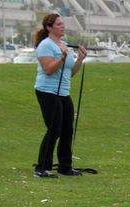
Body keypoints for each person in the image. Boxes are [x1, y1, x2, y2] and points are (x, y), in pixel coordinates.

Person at [33, 13, 87, 178]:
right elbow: (49, 69)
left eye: (63, 24)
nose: (62, 26)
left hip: (63, 92)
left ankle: (65, 166)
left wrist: (79, 59)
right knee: (54, 129)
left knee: (67, 130)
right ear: (49, 27)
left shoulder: (64, 45)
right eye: (58, 24)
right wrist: (62, 56)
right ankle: (42, 168)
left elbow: (69, 73)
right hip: (47, 91)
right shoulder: (46, 45)